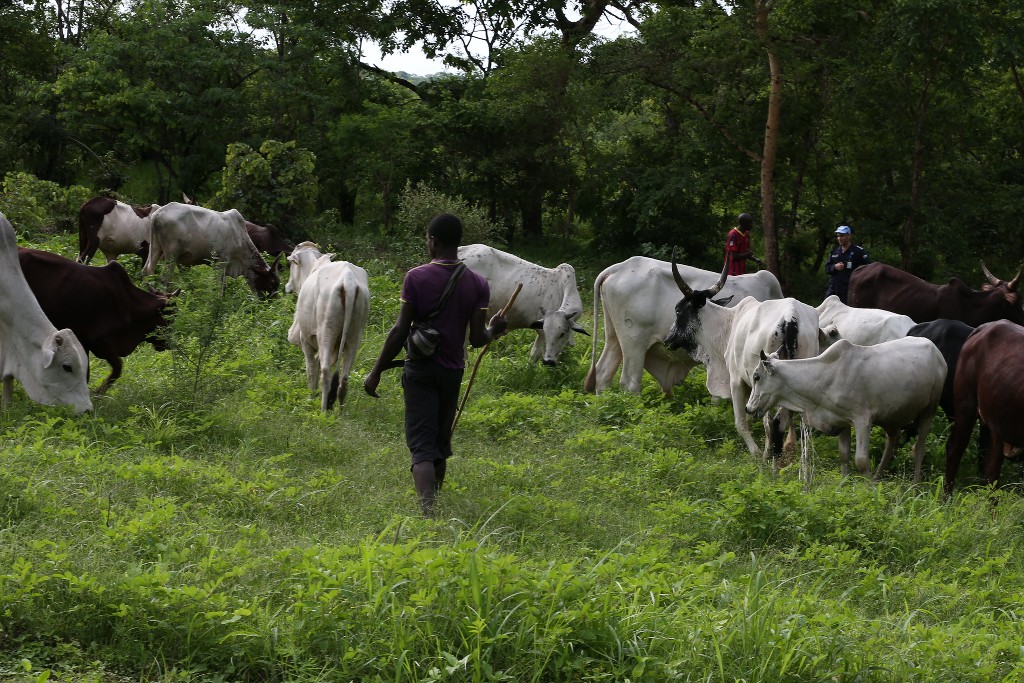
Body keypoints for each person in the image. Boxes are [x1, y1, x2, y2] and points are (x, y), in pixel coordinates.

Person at [363, 213, 507, 517]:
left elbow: (400, 330)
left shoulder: (416, 277)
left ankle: (428, 514)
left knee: (422, 445)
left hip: (420, 370)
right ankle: (435, 503)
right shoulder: (478, 284)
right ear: (458, 243)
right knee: (440, 440)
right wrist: (496, 328)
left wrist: (376, 371)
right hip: (452, 371)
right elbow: (479, 339)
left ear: (433, 241)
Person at [824, 225, 871, 304]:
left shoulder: (858, 251)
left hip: (849, 290)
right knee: (824, 312)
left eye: (842, 236)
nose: (839, 238)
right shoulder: (834, 251)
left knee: (845, 314)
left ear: (849, 236)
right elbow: (827, 268)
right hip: (833, 289)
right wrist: (835, 267)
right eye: (838, 236)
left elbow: (870, 268)